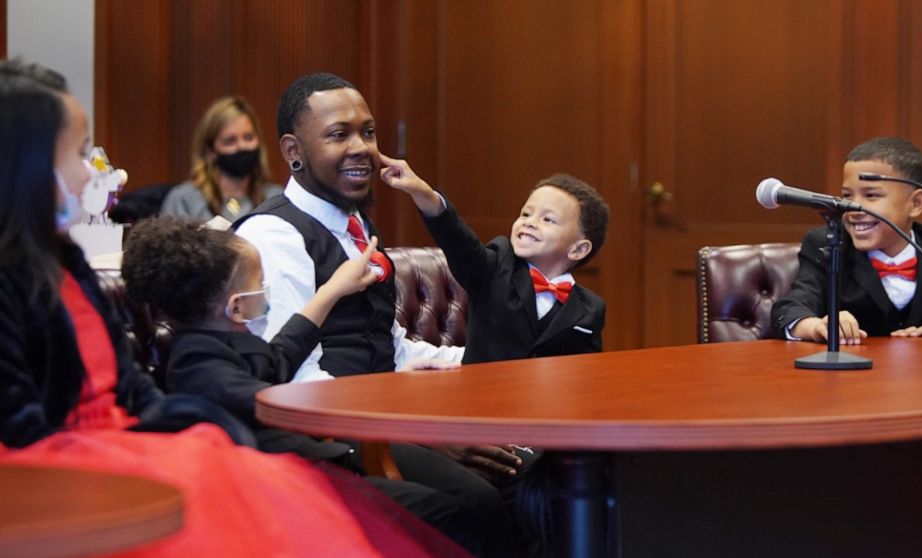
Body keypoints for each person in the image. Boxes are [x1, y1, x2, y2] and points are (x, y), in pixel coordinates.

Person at [0, 58, 471, 557]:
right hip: (54, 467)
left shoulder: (66, 262)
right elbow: (22, 422)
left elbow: (130, 387)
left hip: (125, 440)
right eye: (78, 153)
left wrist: (187, 431)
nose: (92, 171)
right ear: (29, 166)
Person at [235, 72, 520, 555]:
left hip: (381, 417)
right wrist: (422, 431)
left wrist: (483, 366)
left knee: (532, 472)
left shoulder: (354, 225)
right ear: (292, 150)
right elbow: (293, 380)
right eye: (338, 134)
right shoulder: (273, 235)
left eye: (367, 132)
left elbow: (390, 345)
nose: (362, 147)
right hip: (333, 440)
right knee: (480, 505)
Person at [772, 137, 922, 343]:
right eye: (847, 195)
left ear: (916, 203)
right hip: (850, 379)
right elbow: (792, 306)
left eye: (871, 195)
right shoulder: (827, 243)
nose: (853, 207)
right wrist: (814, 325)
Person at [384, 166, 609, 363]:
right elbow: (458, 240)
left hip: (548, 409)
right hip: (481, 401)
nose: (529, 223)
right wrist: (424, 195)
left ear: (578, 249)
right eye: (526, 213)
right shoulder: (496, 266)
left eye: (547, 219)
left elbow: (589, 373)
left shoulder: (590, 309)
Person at [160, 96, 282, 222]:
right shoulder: (184, 199)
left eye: (248, 137)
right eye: (230, 141)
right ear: (210, 151)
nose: (241, 146)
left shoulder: (276, 198)